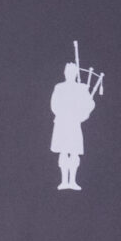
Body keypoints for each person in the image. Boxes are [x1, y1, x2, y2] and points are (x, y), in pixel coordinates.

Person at [50, 60, 95, 189]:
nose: (69, 74)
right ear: (65, 73)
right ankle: (64, 181)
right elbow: (54, 104)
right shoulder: (59, 87)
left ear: (75, 73)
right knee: (64, 151)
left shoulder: (81, 88)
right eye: (68, 72)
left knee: (74, 152)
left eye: (72, 72)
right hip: (62, 123)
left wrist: (85, 108)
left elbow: (88, 104)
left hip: (74, 124)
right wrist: (65, 113)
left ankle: (73, 181)